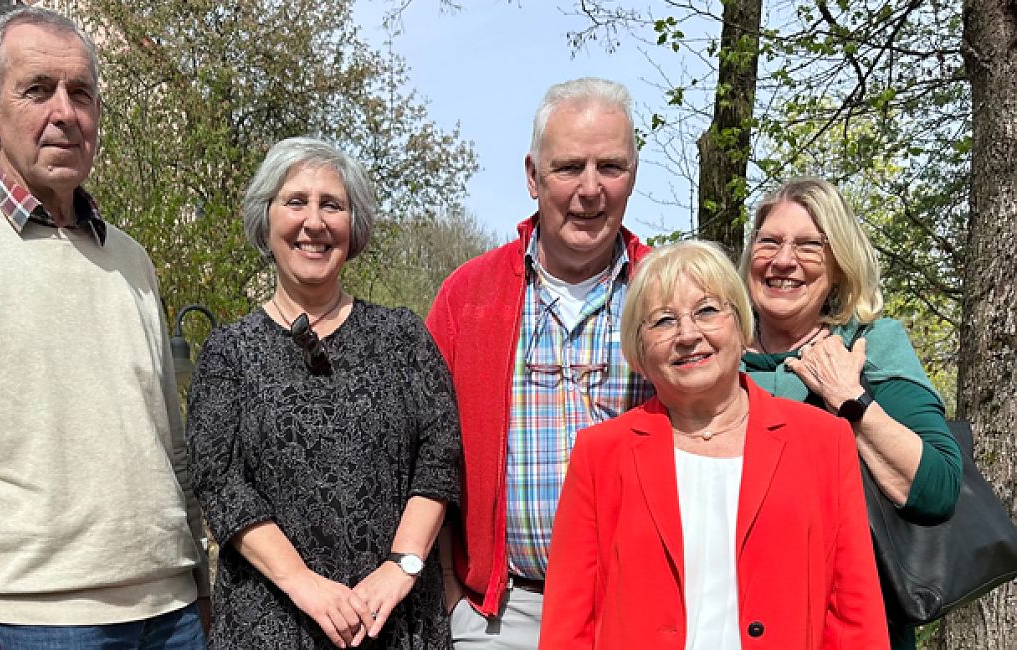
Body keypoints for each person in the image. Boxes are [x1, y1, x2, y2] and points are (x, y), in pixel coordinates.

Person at [0, 6, 210, 649]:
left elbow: (168, 440)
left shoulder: (132, 259)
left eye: (80, 93)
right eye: (37, 90)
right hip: (31, 621)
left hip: (173, 614)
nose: (65, 112)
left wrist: (198, 579)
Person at [540, 240, 889, 649]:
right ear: (638, 351)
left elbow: (853, 612)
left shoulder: (822, 441)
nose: (688, 335)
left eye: (706, 310)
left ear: (741, 326)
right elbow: (569, 622)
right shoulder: (601, 454)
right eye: (663, 321)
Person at [185, 137, 461, 649]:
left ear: (353, 227)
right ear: (265, 219)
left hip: (393, 623)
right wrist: (306, 586)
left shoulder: (403, 338)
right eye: (296, 202)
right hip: (270, 627)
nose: (314, 222)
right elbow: (219, 483)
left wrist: (401, 567)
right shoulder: (229, 352)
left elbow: (439, 460)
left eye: (332, 205)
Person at [425, 77, 654, 648]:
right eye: (569, 167)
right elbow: (422, 448)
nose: (590, 189)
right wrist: (454, 598)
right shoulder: (469, 297)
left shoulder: (669, 291)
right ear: (532, 176)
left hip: (646, 608)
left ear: (633, 174)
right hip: (505, 613)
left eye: (611, 167)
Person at [738, 177, 961, 649]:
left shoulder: (870, 347)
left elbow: (938, 488)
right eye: (769, 242)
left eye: (807, 246)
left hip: (848, 629)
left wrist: (850, 398)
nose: (782, 261)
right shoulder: (715, 360)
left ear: (838, 264)